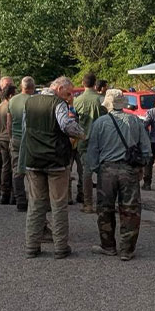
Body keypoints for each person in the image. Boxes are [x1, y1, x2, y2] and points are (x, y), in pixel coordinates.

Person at [19, 76, 84, 259]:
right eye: (68, 92)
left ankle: (32, 246)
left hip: (34, 160)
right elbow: (66, 125)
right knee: (58, 204)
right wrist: (82, 133)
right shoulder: (58, 104)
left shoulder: (30, 103)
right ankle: (60, 247)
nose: (70, 97)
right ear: (59, 88)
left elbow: (26, 130)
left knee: (36, 203)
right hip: (55, 160)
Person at [86, 89, 151, 261]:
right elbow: (146, 148)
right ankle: (126, 249)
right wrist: (141, 165)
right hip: (129, 170)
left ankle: (108, 246)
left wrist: (95, 169)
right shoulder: (135, 120)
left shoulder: (99, 123)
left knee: (105, 209)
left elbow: (92, 150)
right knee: (130, 210)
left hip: (106, 170)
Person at [72, 73, 105, 213]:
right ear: (94, 83)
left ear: (83, 83)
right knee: (103, 173)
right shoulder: (101, 100)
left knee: (86, 172)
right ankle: (102, 204)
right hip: (101, 140)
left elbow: (73, 121)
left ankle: (88, 204)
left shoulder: (77, 101)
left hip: (84, 139)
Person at [6, 76, 35, 211]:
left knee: (17, 170)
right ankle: (35, 200)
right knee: (32, 170)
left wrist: (11, 137)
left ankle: (20, 200)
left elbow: (8, 123)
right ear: (33, 87)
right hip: (30, 139)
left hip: (16, 139)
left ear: (21, 86)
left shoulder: (12, 100)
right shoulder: (33, 101)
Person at [0, 82, 16, 204]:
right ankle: (11, 193)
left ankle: (4, 193)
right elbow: (9, 123)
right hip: (8, 139)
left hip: (0, 138)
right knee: (12, 166)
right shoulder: (10, 107)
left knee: (5, 166)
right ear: (11, 95)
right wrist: (10, 136)